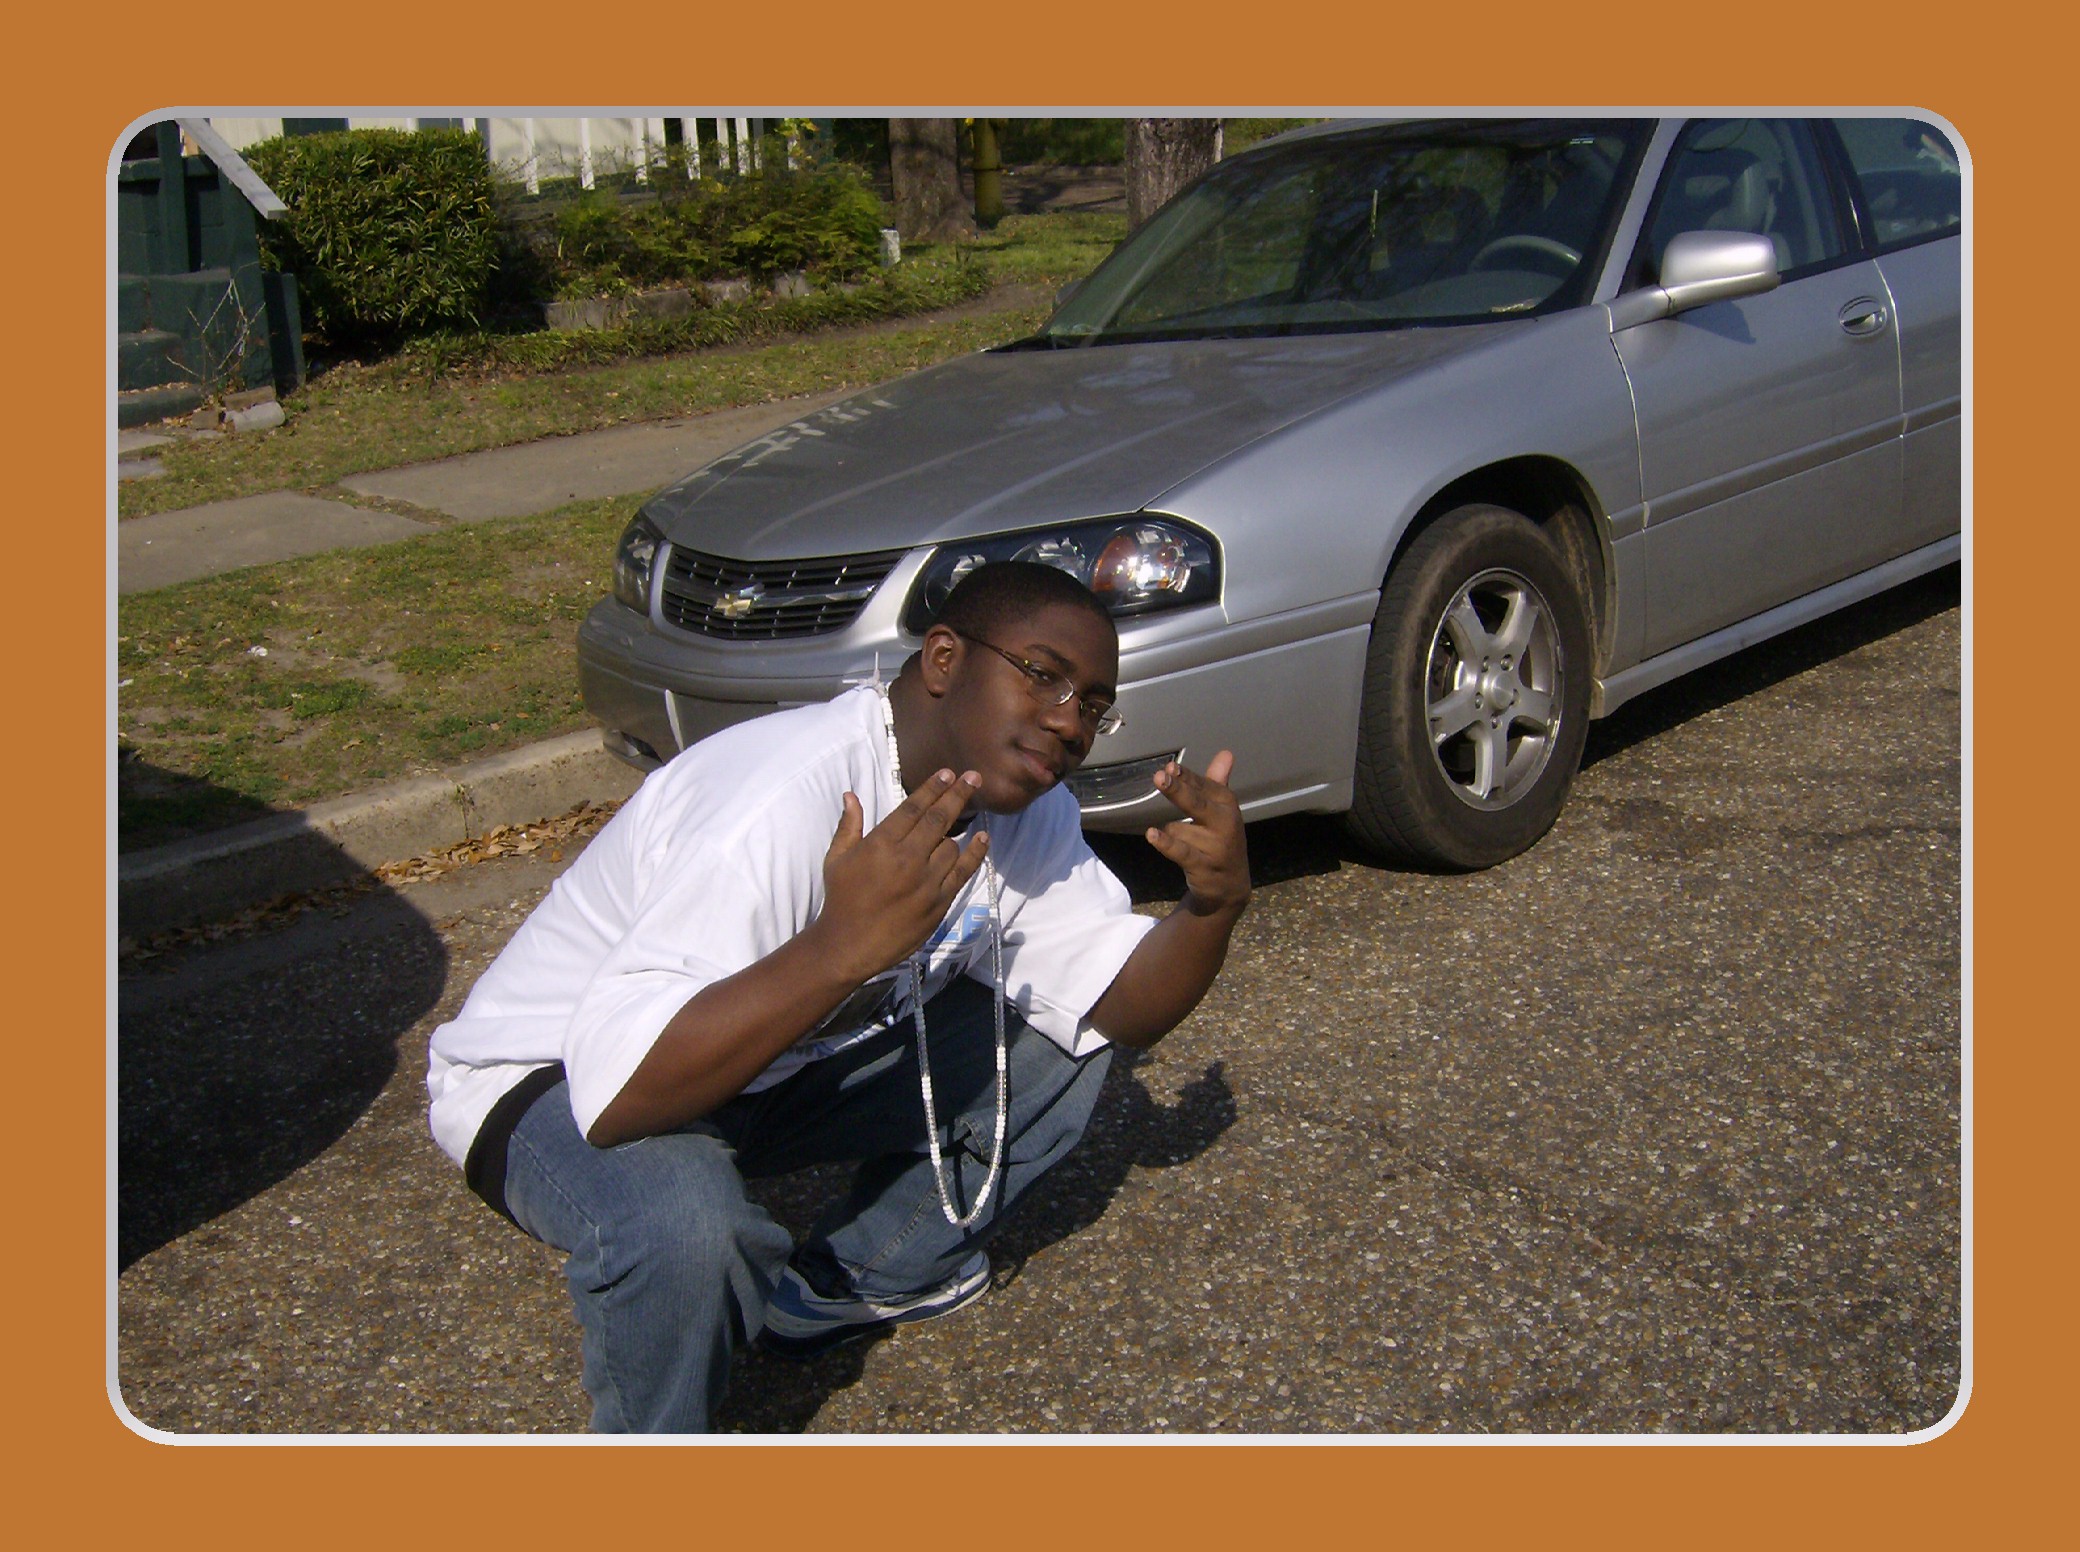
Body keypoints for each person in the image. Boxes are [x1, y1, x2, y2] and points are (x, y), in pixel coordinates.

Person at [425, 561, 1251, 1431]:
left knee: (1061, 1036)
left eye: (1092, 704)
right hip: (554, 1081)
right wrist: (838, 949)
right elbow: (617, 1096)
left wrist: (1214, 906)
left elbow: (1121, 1005)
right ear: (944, 659)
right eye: (1043, 675)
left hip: (753, 1071)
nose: (1068, 722)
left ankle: (845, 1283)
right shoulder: (781, 799)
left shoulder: (1022, 805)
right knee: (688, 1229)